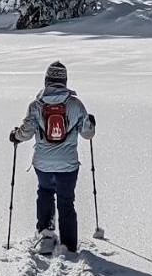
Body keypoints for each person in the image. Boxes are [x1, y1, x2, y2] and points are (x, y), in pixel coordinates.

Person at [9, 61, 95, 253]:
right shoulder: (75, 104)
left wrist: (15, 135)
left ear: (47, 80)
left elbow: (27, 132)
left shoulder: (36, 105)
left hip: (43, 164)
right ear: (64, 81)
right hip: (69, 165)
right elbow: (87, 134)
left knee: (45, 193)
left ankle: (46, 237)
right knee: (66, 201)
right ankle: (69, 244)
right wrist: (91, 123)